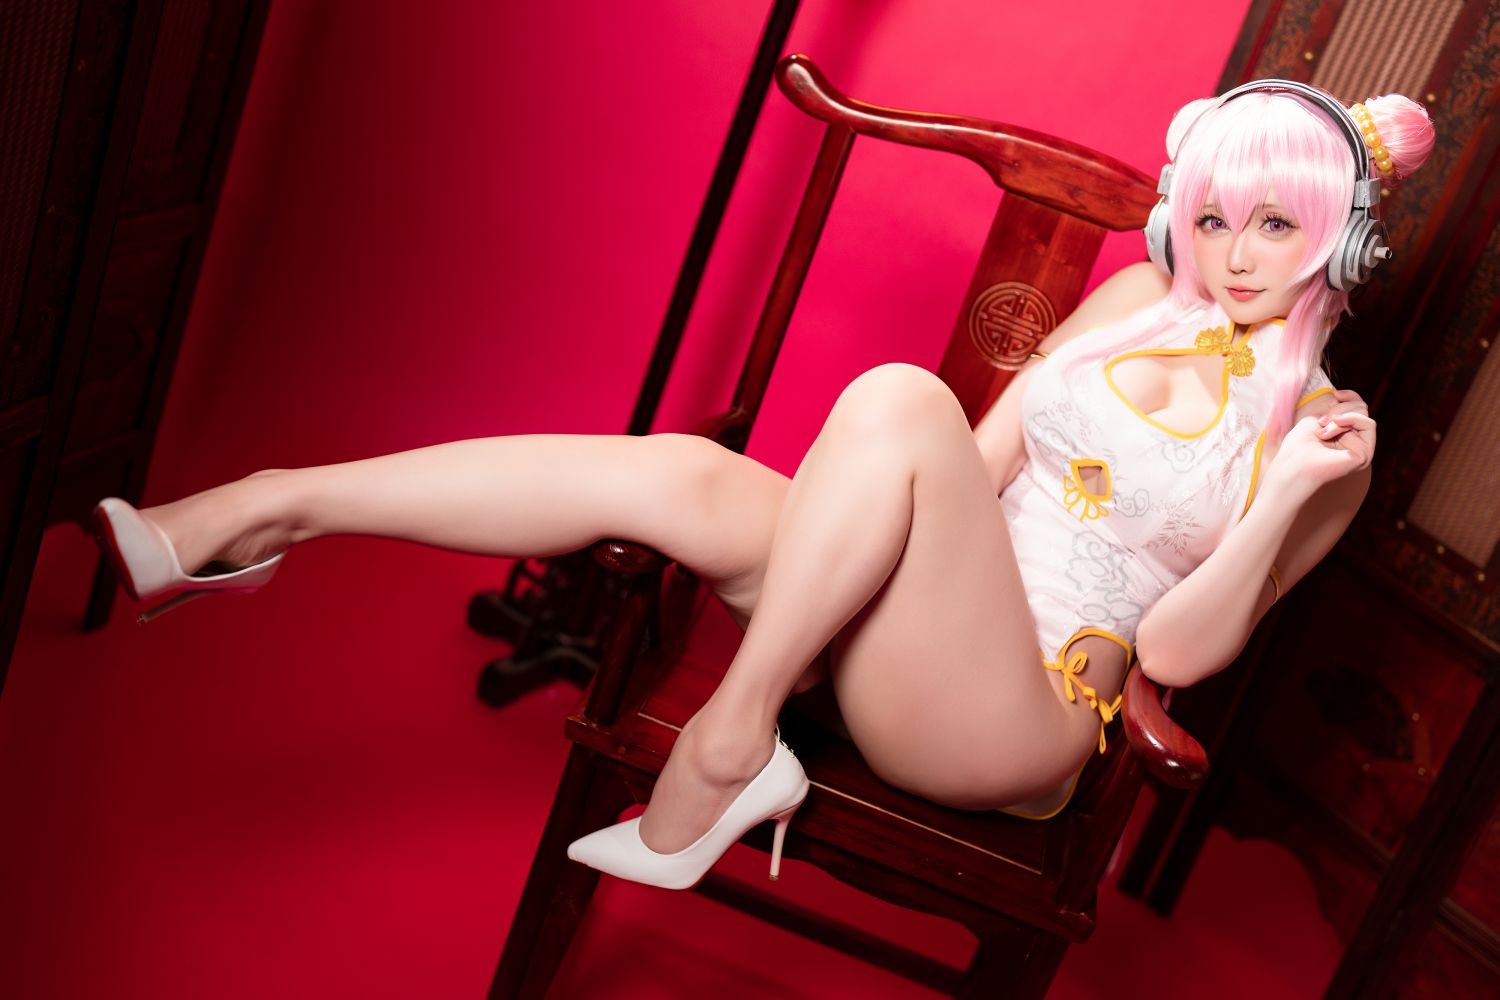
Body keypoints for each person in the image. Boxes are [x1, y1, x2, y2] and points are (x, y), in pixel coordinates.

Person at [91, 80, 1435, 892]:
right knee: (682, 472)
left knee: (899, 397)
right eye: (1214, 217)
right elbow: (976, 471)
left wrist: (1280, 494)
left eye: (1277, 225)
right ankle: (267, 506)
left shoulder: (1329, 436)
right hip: (894, 626)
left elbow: (1181, 659)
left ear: (1340, 238)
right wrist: (858, 548)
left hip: (1014, 720)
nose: (1235, 255)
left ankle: (731, 742)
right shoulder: (1139, 296)